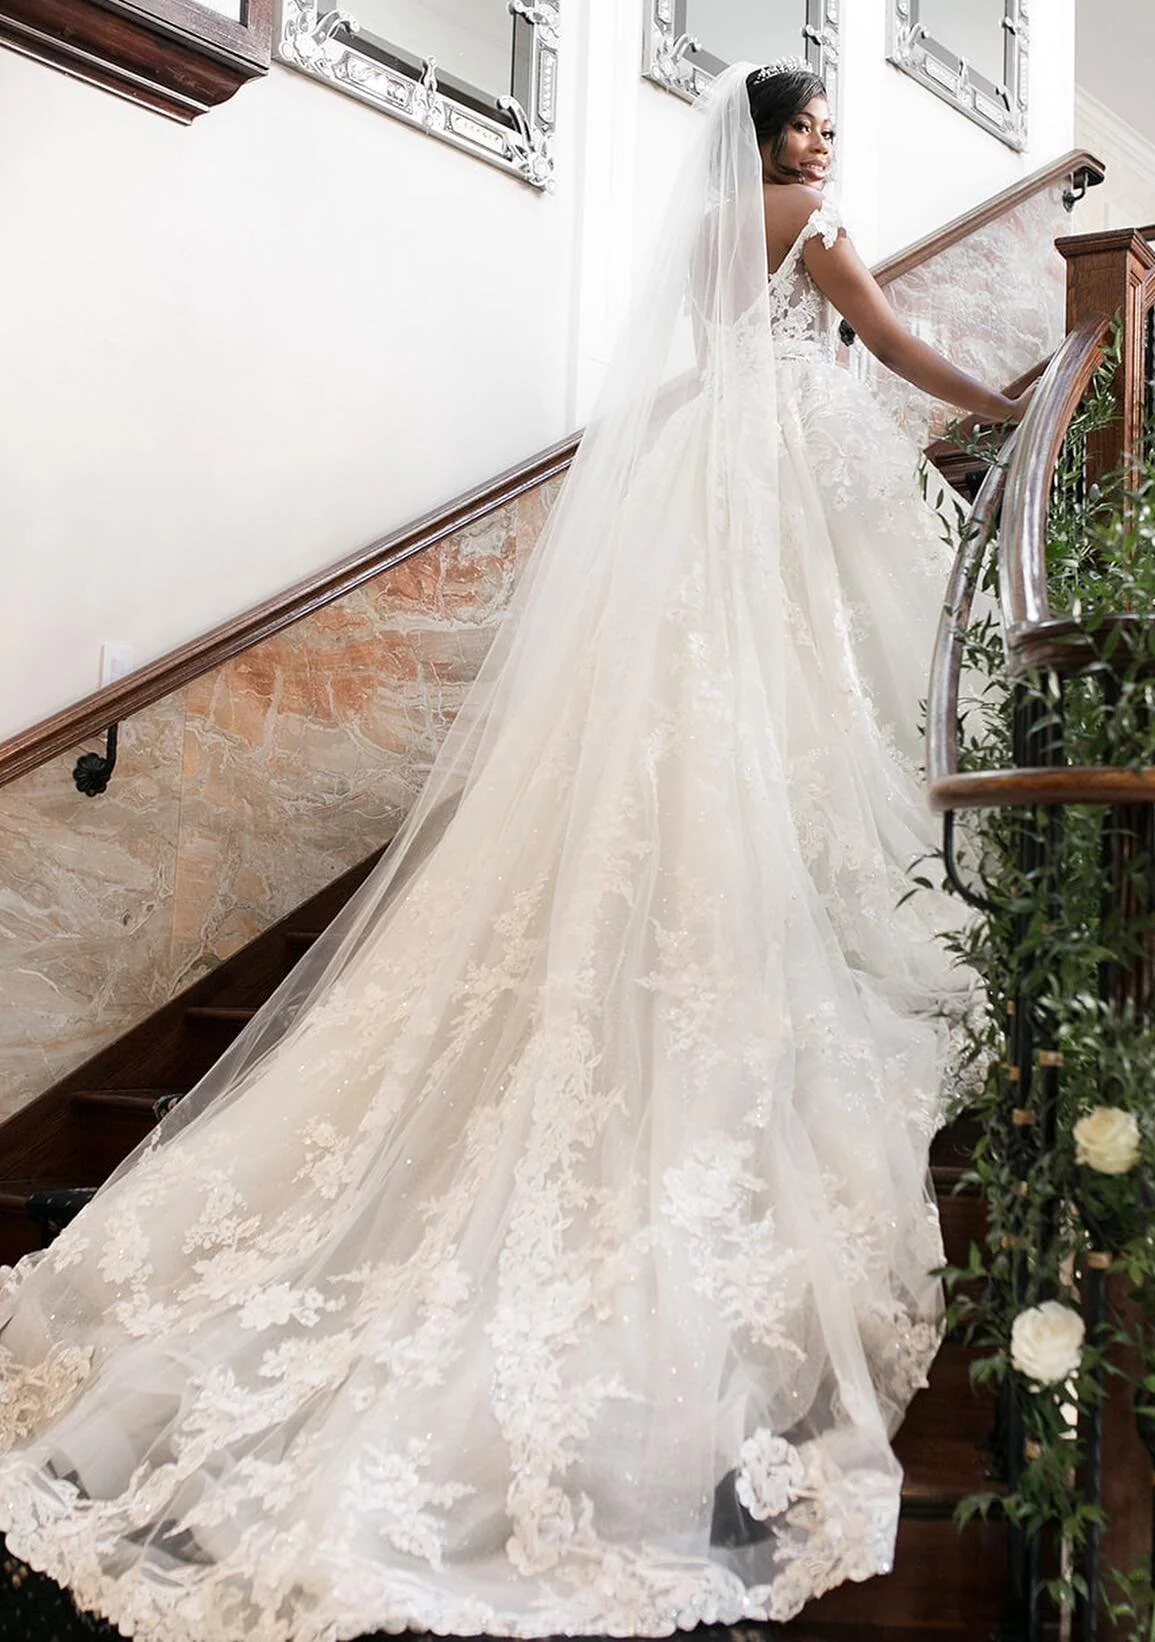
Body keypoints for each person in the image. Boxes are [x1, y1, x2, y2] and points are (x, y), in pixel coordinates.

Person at [0, 61, 1029, 1641]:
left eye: (825, 126)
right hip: (774, 500)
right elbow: (883, 343)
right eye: (810, 121)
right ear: (771, 140)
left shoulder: (700, 236)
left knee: (704, 732)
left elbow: (707, 369)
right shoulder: (813, 219)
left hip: (706, 485)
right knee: (809, 718)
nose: (827, 141)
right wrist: (1002, 405)